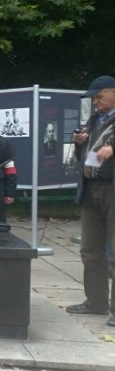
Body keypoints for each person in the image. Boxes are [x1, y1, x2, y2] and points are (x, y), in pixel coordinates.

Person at [66, 75, 115, 323]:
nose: (96, 102)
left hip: (111, 189)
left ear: (113, 92)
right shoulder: (95, 120)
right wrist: (79, 144)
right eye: (93, 98)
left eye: (99, 97)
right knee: (91, 249)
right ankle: (96, 302)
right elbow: (84, 156)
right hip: (90, 188)